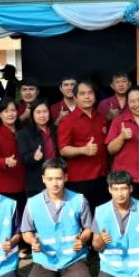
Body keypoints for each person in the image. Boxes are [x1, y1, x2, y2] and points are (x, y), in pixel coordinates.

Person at [21, 157, 94, 277]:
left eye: (59, 178)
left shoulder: (79, 200)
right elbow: (26, 231)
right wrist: (32, 241)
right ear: (43, 179)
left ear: (66, 177)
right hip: (45, 260)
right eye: (50, 179)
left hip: (72, 259)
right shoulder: (33, 203)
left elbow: (89, 228)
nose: (54, 183)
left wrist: (82, 239)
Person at [57, 79, 109, 209]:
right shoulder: (67, 121)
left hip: (102, 178)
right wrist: (83, 150)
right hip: (79, 180)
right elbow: (63, 149)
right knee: (81, 219)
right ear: (75, 98)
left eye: (90, 93)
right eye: (82, 93)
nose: (87, 96)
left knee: (100, 218)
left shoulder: (101, 119)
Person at [0, 98, 27, 222]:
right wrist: (5, 161)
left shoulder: (24, 130)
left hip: (25, 183)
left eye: (13, 110)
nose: (10, 114)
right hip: (6, 184)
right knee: (7, 222)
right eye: (6, 111)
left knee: (25, 222)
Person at [17, 99, 58, 200]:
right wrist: (34, 157)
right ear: (32, 114)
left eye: (45, 111)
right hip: (36, 183)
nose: (42, 115)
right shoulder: (24, 133)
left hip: (56, 179)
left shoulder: (55, 130)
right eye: (38, 112)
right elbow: (23, 159)